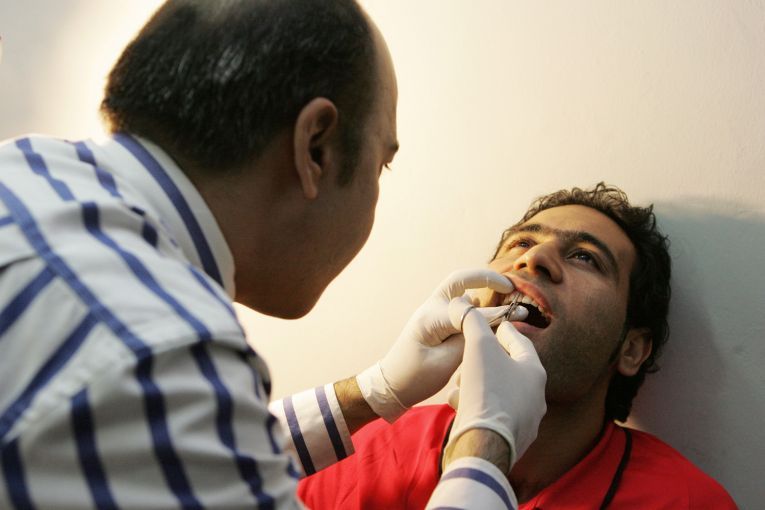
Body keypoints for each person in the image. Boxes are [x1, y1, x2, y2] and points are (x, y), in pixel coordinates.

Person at [0, 1, 545, 508]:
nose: (534, 261)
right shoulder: (157, 350)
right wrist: (485, 446)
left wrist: (374, 391)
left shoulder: (27, 165)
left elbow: (173, 456)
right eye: (382, 165)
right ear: (316, 148)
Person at [297, 183, 738, 509]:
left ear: (631, 349)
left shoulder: (687, 502)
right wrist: (376, 389)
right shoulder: (366, 452)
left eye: (585, 257)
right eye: (522, 242)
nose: (533, 258)